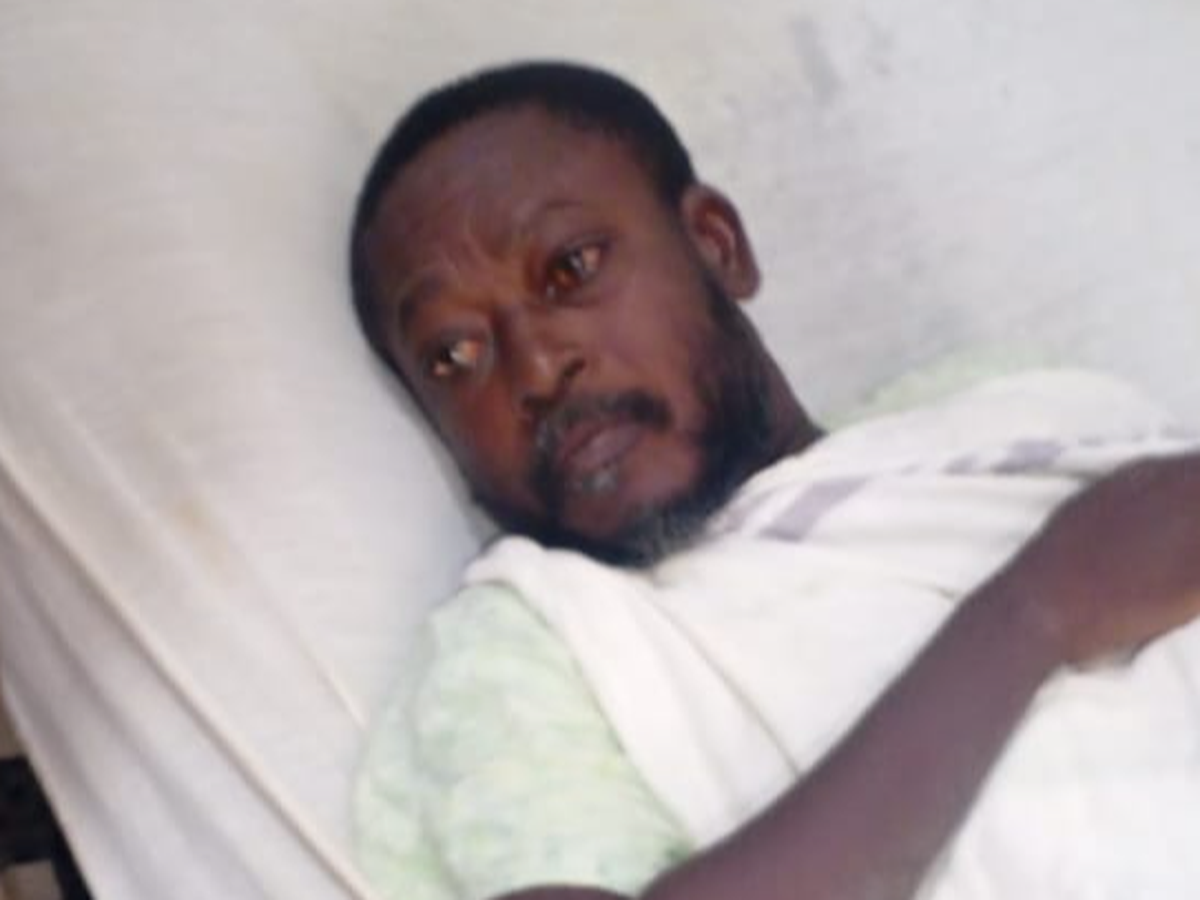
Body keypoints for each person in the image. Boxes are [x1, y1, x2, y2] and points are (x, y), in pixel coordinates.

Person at [348, 61, 1200, 900]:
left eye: (571, 268)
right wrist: (1034, 613)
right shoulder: (523, 648)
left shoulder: (1009, 405)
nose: (536, 370)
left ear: (716, 246)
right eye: (455, 354)